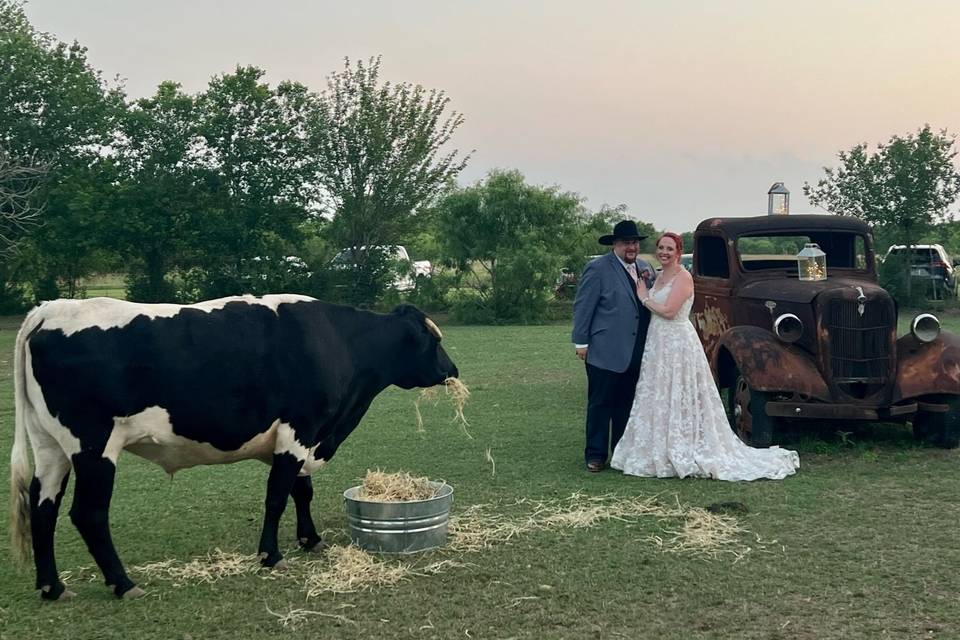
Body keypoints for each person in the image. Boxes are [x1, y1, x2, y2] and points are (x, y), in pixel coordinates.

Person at [610, 232, 799, 480]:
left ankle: (686, 444)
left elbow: (668, 311)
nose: (664, 252)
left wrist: (644, 298)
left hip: (677, 342)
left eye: (669, 249)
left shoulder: (684, 277)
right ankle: (658, 445)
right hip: (658, 343)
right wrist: (647, 289)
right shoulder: (657, 276)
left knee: (680, 390)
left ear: (679, 252)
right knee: (659, 391)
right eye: (661, 248)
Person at [572, 220, 656, 472]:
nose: (632, 247)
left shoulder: (645, 267)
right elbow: (583, 306)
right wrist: (581, 342)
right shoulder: (597, 269)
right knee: (600, 403)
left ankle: (621, 452)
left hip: (636, 349)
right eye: (626, 243)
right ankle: (595, 455)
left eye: (635, 242)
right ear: (615, 245)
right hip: (604, 349)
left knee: (626, 403)